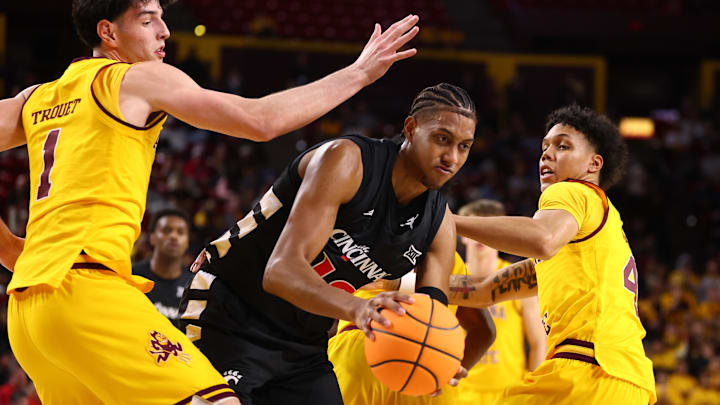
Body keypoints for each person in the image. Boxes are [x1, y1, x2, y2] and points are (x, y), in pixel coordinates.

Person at [0, 0, 421, 402]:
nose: (164, 30)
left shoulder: (39, 97)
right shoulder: (138, 77)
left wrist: (11, 250)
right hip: (86, 292)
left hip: (28, 311)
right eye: (147, 20)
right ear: (108, 32)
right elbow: (260, 121)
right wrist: (359, 73)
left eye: (162, 18)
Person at [181, 83, 493, 404]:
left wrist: (433, 359)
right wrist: (358, 308)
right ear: (412, 129)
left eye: (464, 146)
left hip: (303, 343)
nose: (452, 157)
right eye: (443, 139)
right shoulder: (348, 161)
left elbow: (431, 319)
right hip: (232, 311)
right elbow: (281, 272)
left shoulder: (438, 225)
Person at [446, 105, 657, 404]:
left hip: (586, 372)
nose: (546, 154)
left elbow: (542, 239)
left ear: (594, 164)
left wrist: (448, 221)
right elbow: (483, 291)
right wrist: (402, 284)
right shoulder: (590, 237)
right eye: (544, 146)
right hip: (626, 382)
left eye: (563, 145)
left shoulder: (573, 191)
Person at [327, 250, 495, 405]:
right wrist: (445, 372)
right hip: (430, 371)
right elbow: (485, 331)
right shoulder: (452, 258)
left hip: (361, 351)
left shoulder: (367, 238)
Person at [453, 199, 546, 405]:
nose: (481, 236)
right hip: (457, 392)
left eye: (488, 227)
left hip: (508, 394)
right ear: (463, 236)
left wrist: (535, 391)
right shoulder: (451, 275)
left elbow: (539, 342)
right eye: (475, 227)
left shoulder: (516, 279)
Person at [133, 208, 194, 327]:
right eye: (167, 230)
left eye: (180, 232)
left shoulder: (193, 286)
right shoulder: (131, 274)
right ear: (152, 237)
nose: (173, 236)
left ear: (187, 242)